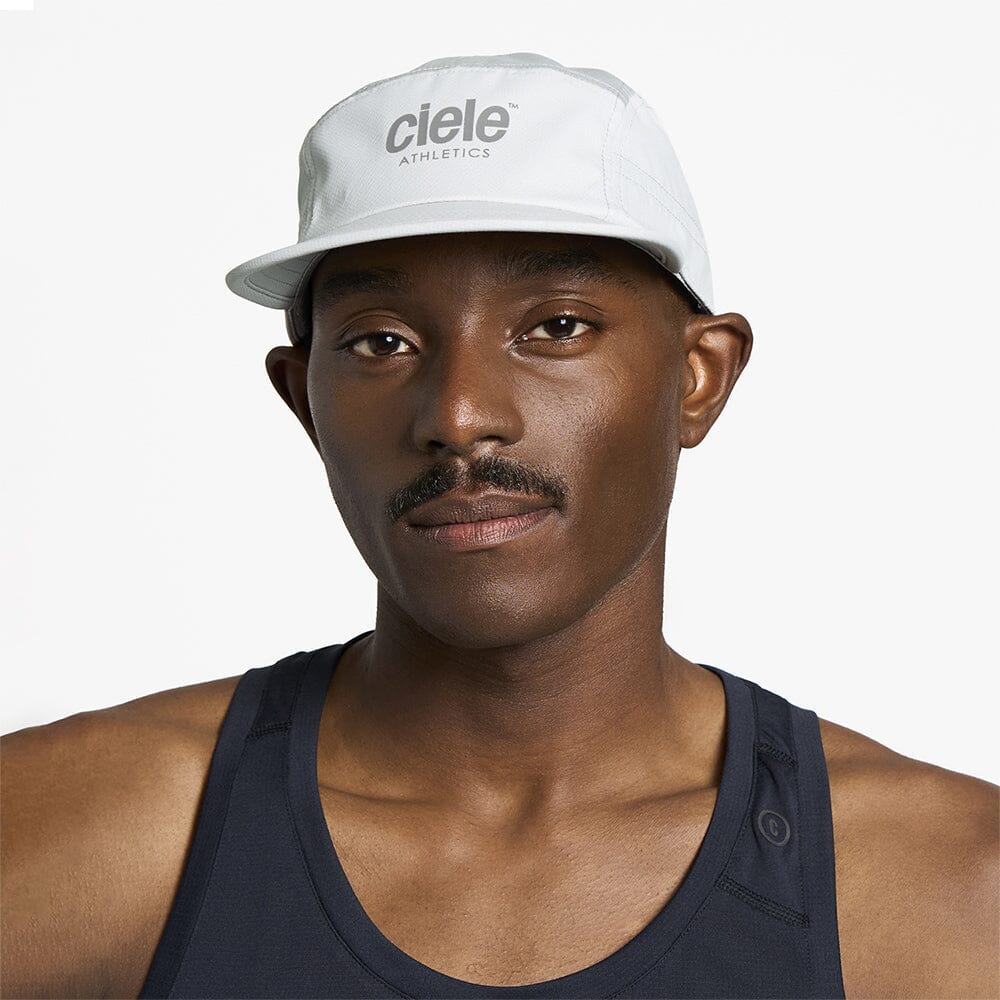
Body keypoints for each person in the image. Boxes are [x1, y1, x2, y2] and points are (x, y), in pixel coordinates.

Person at [2, 52, 996, 1000]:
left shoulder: (946, 888)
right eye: (381, 341)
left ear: (700, 378)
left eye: (556, 327)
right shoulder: (76, 834)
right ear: (303, 399)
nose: (460, 413)